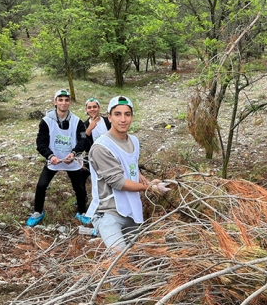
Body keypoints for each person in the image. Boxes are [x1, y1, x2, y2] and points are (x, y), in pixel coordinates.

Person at [86, 96, 169, 250]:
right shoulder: (101, 147)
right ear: (109, 117)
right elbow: (117, 182)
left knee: (135, 259)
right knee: (120, 261)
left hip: (132, 210)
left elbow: (131, 168)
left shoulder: (134, 141)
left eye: (127, 114)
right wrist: (149, 189)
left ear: (132, 117)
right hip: (108, 213)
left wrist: (148, 181)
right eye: (117, 114)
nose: (123, 119)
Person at [27, 89, 92, 226]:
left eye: (66, 100)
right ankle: (38, 211)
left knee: (79, 187)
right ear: (55, 102)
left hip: (72, 160)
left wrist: (74, 153)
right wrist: (50, 156)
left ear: (69, 102)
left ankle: (82, 212)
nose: (64, 103)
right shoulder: (46, 121)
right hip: (54, 160)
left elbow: (83, 141)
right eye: (60, 100)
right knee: (41, 185)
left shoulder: (77, 121)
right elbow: (41, 143)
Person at [81, 97, 111, 188]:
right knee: (80, 174)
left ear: (99, 108)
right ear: (86, 110)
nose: (92, 109)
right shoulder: (83, 125)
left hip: (110, 154)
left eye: (94, 107)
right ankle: (83, 198)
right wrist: (89, 129)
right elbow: (83, 145)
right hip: (92, 156)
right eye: (89, 107)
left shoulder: (108, 121)